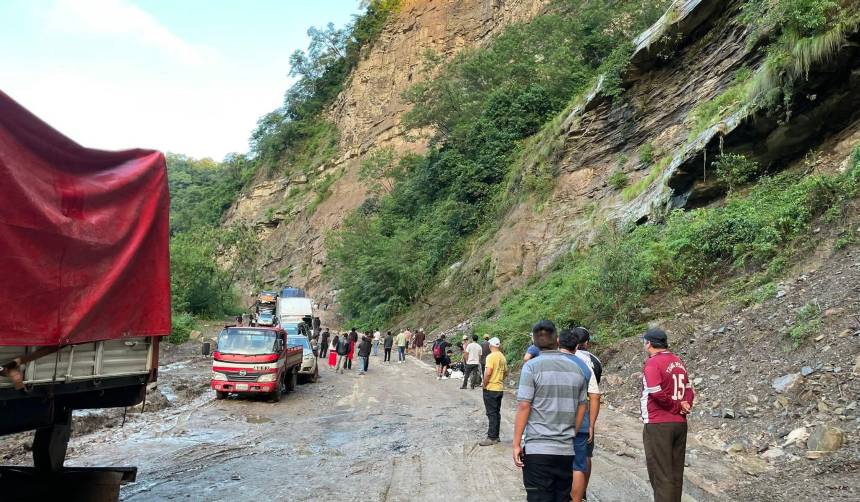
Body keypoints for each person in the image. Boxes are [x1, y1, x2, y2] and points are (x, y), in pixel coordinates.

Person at [513, 320, 588, 502]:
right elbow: (582, 406)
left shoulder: (531, 367)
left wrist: (516, 444)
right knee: (561, 497)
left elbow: (524, 406)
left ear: (534, 342)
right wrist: (571, 434)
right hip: (565, 451)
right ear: (557, 340)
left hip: (537, 451)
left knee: (538, 497)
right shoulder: (576, 369)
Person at [640, 327, 695, 502]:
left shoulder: (653, 363)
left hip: (658, 423)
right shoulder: (678, 361)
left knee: (661, 473)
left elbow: (655, 392)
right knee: (675, 472)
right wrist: (685, 404)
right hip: (680, 423)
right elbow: (688, 388)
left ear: (649, 343)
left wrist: (675, 406)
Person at [558, 329, 600, 502]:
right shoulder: (588, 364)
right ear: (579, 345)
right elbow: (595, 395)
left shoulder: (549, 361)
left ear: (558, 342)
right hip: (581, 420)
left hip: (555, 421)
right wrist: (591, 424)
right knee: (579, 464)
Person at [574, 327, 603, 501]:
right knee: (585, 454)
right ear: (587, 342)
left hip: (570, 409)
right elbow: (595, 393)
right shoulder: (595, 361)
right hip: (587, 411)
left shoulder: (566, 357)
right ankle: (582, 492)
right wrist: (592, 423)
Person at [480, 337, 507, 446]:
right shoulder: (502, 357)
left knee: (491, 413)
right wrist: (499, 380)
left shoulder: (491, 357)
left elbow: (488, 372)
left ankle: (491, 437)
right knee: (496, 413)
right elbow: (506, 372)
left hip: (491, 388)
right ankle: (496, 436)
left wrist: (484, 384)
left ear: (490, 345)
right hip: (499, 388)